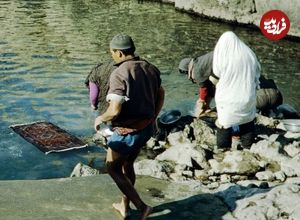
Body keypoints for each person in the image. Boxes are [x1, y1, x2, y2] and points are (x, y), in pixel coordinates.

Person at [94, 34, 164, 219]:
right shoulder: (150, 68)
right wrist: (154, 117)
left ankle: (142, 207)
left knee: (112, 168)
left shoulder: (119, 73)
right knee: (127, 165)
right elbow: (161, 94)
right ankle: (124, 206)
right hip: (146, 129)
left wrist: (101, 118)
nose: (112, 56)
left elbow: (115, 110)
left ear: (119, 52)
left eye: (112, 53)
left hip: (127, 133)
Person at [179, 53, 282, 118]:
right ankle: (271, 111)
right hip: (277, 97)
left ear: (188, 69)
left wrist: (202, 104)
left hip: (260, 101)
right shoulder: (245, 71)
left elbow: (204, 90)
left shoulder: (197, 69)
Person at [212, 31, 260, 150]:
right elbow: (257, 73)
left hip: (228, 100)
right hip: (247, 97)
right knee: (247, 121)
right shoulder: (249, 53)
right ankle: (248, 147)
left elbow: (215, 76)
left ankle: (223, 150)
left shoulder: (223, 54)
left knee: (224, 123)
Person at [178, 51, 215, 117]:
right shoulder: (200, 61)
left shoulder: (197, 69)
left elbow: (204, 88)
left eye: (185, 72)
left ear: (188, 68)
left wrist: (201, 101)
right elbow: (210, 86)